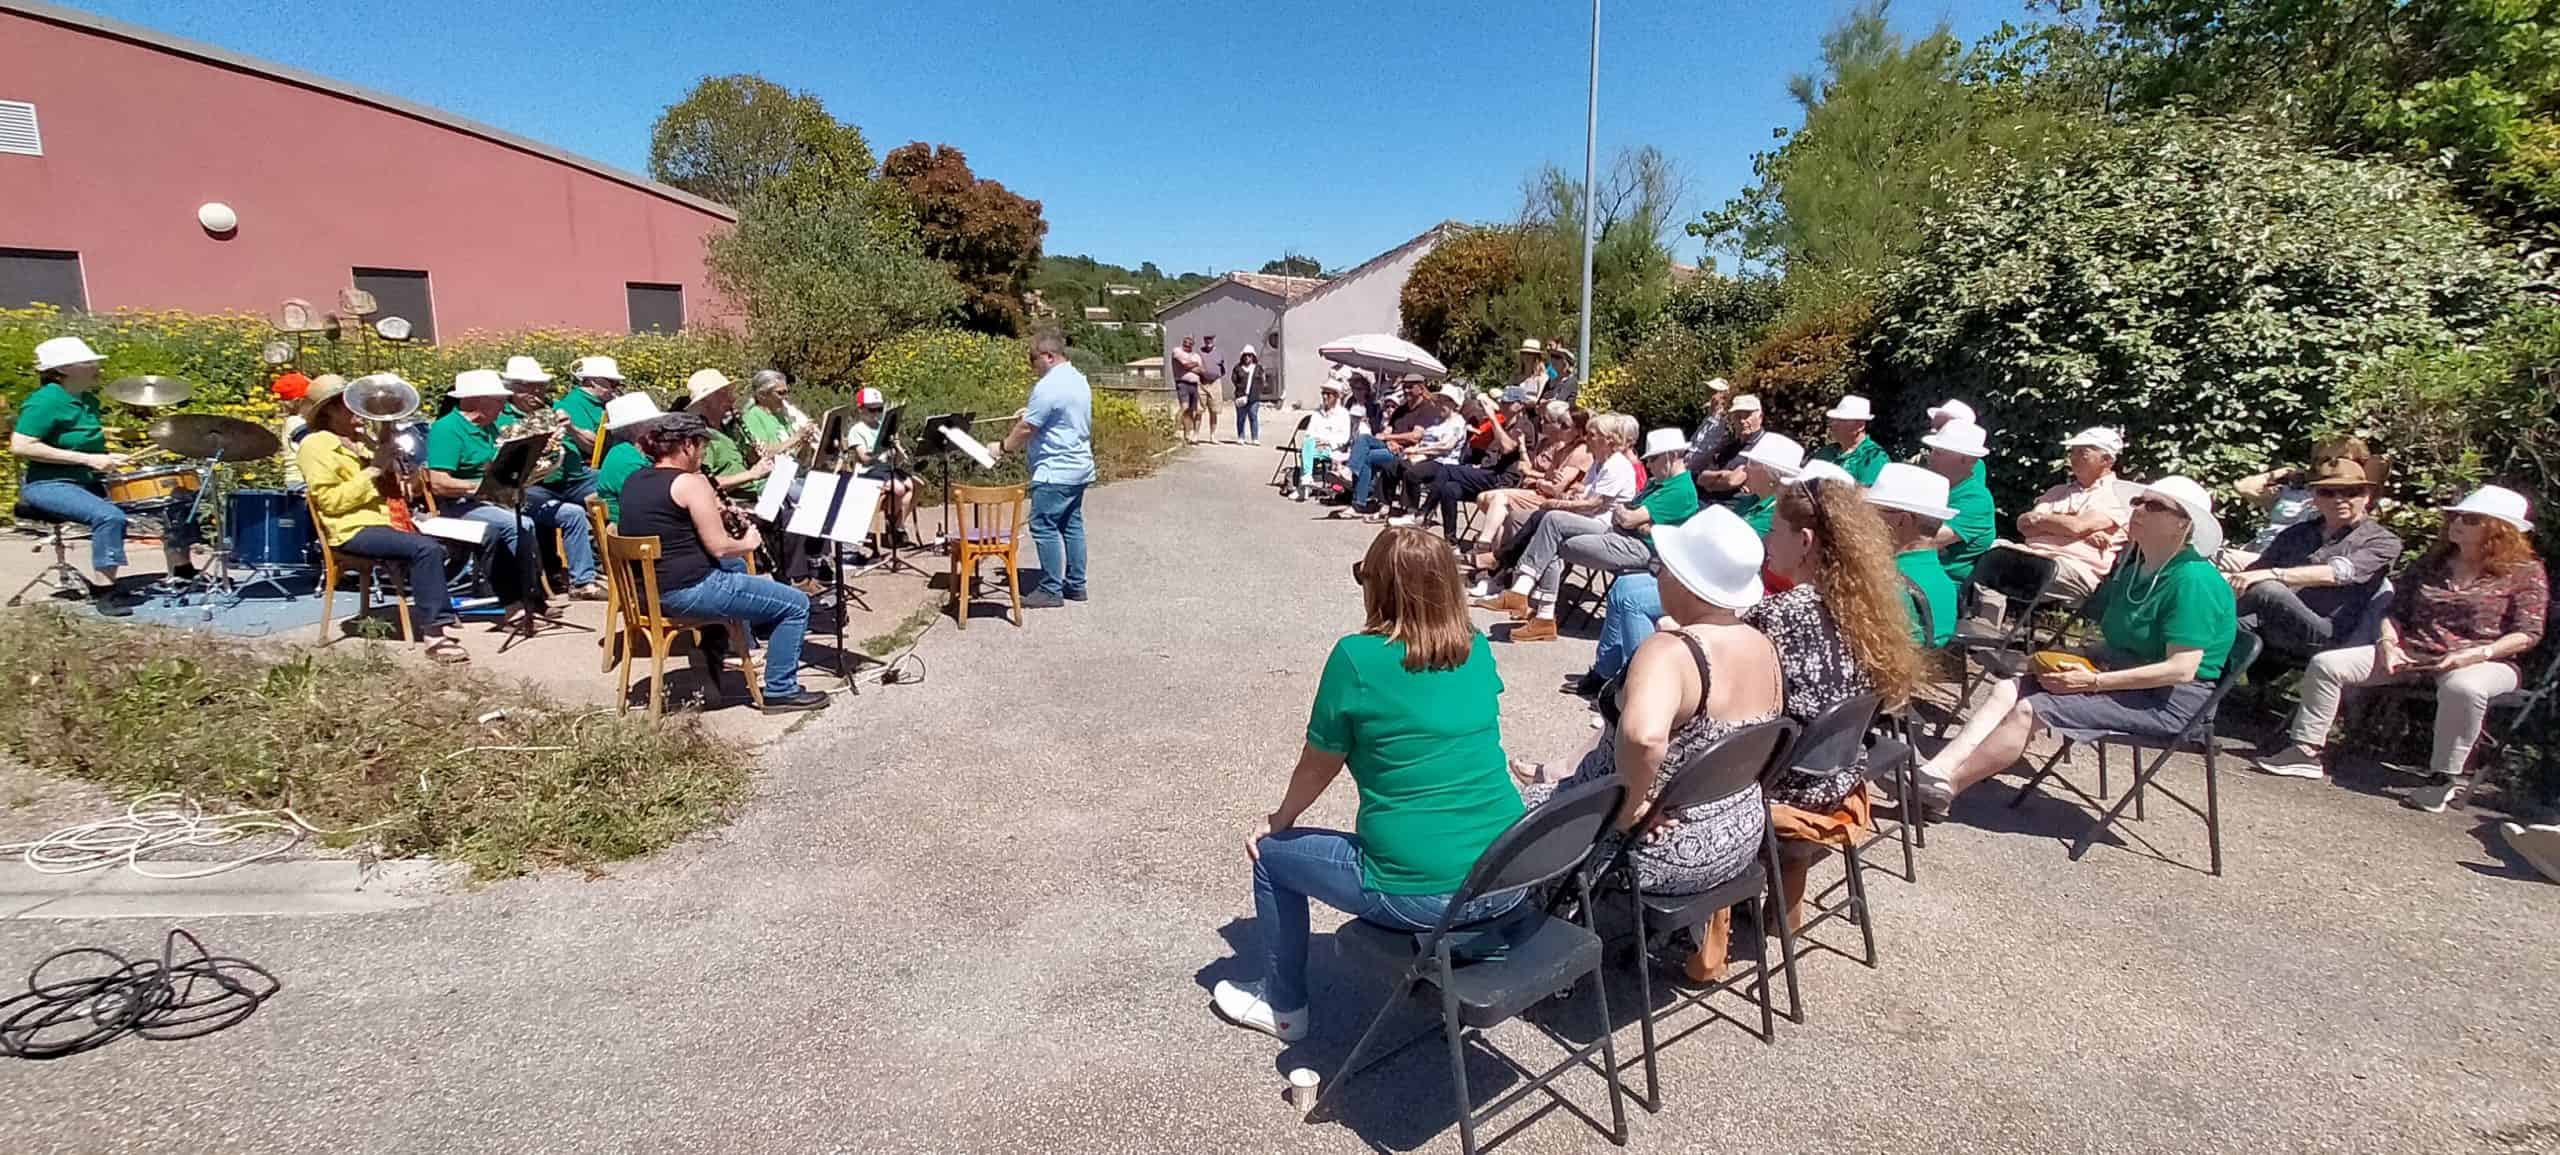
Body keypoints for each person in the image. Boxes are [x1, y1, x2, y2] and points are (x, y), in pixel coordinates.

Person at [1211, 526, 1528, 1041]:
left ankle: (1283, 1006)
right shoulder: (1474, 646)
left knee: (1270, 857)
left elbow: (1320, 762)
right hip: (1510, 874)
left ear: (1378, 587)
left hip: (1426, 892)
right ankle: (1466, 945)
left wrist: (1280, 819)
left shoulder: (1357, 657)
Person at [1516, 507, 1781, 983]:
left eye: (1664, 566)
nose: (1657, 574)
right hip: (1736, 835)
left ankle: (1519, 943)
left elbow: (1643, 737)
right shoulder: (1763, 645)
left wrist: (1629, 810)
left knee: (1505, 814)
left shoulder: (1671, 654)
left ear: (1688, 582)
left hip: (1660, 844)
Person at [1913, 476, 2239, 814]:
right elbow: (2117, 642)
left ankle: (1945, 790)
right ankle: (1937, 771)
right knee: (2010, 687)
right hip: (2126, 676)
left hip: (2170, 702)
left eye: (2154, 505)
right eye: (2137, 502)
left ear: (2183, 524)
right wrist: (2064, 658)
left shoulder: (2194, 581)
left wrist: (2092, 681)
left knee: (2031, 708)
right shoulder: (2136, 570)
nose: (2139, 510)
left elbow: (2181, 669)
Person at [2251, 486, 2546, 812]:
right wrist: (2388, 644)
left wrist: (2477, 654)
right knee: (2328, 664)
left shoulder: (2525, 572)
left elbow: (2527, 633)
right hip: (2414, 653)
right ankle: (2305, 751)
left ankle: (2443, 779)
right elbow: (2393, 611)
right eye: (2455, 516)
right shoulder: (2433, 563)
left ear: (2500, 530)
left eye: (2471, 519)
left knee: (2463, 687)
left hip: (2486, 660)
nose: (2458, 522)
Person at [1749, 472, 1927, 930]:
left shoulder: (1777, 615)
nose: (1768, 540)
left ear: (1805, 541)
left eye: (1775, 530)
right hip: (1840, 775)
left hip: (1781, 787)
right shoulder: (1873, 614)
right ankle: (1780, 905)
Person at [619, 413, 829, 714]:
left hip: (646, 594)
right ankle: (781, 690)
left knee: (737, 570)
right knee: (795, 604)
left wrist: (717, 513)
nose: (704, 454)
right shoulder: (691, 483)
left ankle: (713, 650)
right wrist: (749, 542)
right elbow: (720, 547)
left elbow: (672, 527)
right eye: (702, 446)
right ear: (687, 445)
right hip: (687, 592)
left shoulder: (635, 479)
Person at [9, 336, 199, 613]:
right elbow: (22, 445)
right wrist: (89, 459)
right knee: (108, 517)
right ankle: (105, 591)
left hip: (90, 480)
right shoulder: (45, 402)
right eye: (89, 363)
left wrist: (109, 457)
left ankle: (182, 570)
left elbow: (80, 442)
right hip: (50, 484)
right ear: (63, 369)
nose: (98, 367)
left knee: (175, 498)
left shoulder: (87, 400)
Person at [295, 375, 468, 664]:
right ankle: (435, 633)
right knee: (425, 549)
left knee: (462, 537)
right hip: (353, 528)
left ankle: (439, 604)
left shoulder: (363, 440)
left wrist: (400, 469)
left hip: (389, 520)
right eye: (346, 403)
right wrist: (374, 469)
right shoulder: (316, 445)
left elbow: (401, 488)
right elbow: (330, 502)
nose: (356, 409)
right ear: (329, 411)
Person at [1473, 415, 1657, 642]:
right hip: (1586, 521)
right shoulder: (1599, 462)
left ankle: (1518, 587)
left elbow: (1595, 504)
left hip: (1605, 528)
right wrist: (1571, 496)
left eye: (1592, 435)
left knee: (1551, 521)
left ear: (1608, 439)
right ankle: (1540, 613)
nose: (1587, 438)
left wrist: (1559, 504)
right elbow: (1584, 494)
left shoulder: (1617, 466)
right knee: (1529, 521)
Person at [2227, 454, 2400, 661]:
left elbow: (2339, 573)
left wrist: (2273, 574)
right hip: (2271, 620)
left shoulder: (2383, 541)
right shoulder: (2297, 533)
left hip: (2324, 635)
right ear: (2314, 497)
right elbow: (2252, 573)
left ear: (2367, 496)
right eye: (2327, 492)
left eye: (2351, 492)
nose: (2339, 499)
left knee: (2268, 589)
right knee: (2213, 625)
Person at [422, 369, 561, 615]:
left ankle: (530, 596)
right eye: (499, 400)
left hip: (490, 500)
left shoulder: (489, 427)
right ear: (478, 401)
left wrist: (538, 452)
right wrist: (483, 488)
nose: (503, 405)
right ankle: (520, 600)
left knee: (528, 520)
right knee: (516, 525)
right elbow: (439, 483)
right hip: (459, 504)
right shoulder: (447, 429)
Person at [1001, 333, 1094, 608]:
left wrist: (1003, 447)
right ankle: (1076, 585)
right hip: (1078, 465)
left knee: (1043, 525)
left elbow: (1027, 428)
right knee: (1071, 524)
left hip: (1056, 469)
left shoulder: (1049, 385)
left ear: (1048, 356)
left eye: (1034, 361)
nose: (1033, 367)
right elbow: (1056, 415)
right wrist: (1029, 411)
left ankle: (1050, 588)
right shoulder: (1077, 378)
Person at [500, 356, 605, 597]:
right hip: (536, 484)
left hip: (574, 478)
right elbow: (505, 464)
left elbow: (592, 447)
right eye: (528, 387)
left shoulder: (553, 407)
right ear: (512, 389)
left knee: (618, 486)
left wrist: (571, 428)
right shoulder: (502, 417)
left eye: (540, 386)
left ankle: (616, 560)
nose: (536, 393)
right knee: (571, 513)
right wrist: (538, 446)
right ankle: (582, 582)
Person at [1995, 426, 2132, 600]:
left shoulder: (2117, 495)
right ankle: (1984, 615)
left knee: (1998, 566)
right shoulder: (2058, 491)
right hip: (2033, 555)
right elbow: (2024, 525)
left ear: (2106, 460)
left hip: (2072, 568)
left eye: (2082, 453)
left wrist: (2044, 521)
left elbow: (2076, 526)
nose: (2073, 458)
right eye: (2072, 452)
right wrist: (2080, 533)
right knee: (1989, 551)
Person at [2221, 438, 2374, 571]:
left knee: (2216, 557)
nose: (2333, 464)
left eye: (2342, 458)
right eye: (2325, 459)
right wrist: (2284, 472)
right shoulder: (2292, 491)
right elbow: (2243, 487)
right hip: (2261, 552)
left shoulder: (2351, 499)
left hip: (2290, 560)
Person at [1865, 464, 1961, 647]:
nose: (1865, 519)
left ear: (1902, 521)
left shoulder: (1884, 583)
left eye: (1874, 512)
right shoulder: (1944, 583)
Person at [1473, 402, 1592, 548]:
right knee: (1486, 501)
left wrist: (1539, 482)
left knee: (1498, 499)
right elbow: (1549, 478)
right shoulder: (1561, 448)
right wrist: (1544, 480)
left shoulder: (1580, 452)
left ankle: (1484, 545)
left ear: (1578, 431)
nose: (1559, 428)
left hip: (1552, 501)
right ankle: (1491, 550)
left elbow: (1555, 489)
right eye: (1560, 423)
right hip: (1538, 493)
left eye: (1565, 426)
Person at [1419, 388, 1529, 537]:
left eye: (1508, 403)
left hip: (1503, 479)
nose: (1503, 405)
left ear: (1520, 405)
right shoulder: (1503, 424)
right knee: (1448, 489)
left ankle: (1423, 513)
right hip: (1487, 473)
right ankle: (1451, 541)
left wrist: (1492, 418)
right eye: (1502, 402)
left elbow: (1507, 448)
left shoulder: (1523, 426)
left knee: (1448, 469)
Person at [1921, 418, 1996, 584]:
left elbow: (1924, 541)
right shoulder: (1932, 487)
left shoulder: (1977, 501)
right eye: (1933, 451)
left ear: (1966, 459)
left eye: (1939, 452)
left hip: (1939, 583)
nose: (1930, 457)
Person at [841, 386, 919, 544]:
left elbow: (897, 461)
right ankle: (893, 523)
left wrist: (896, 447)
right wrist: (881, 449)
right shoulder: (857, 430)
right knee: (898, 488)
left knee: (916, 484)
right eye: (872, 410)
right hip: (867, 471)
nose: (876, 413)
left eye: (879, 409)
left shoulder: (883, 427)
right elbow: (864, 458)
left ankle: (897, 525)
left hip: (885, 469)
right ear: (861, 409)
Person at [1381, 387, 1468, 525]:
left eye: (1444, 402)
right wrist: (1414, 449)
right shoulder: (1438, 420)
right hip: (1425, 457)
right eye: (1439, 401)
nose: (1440, 404)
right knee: (1392, 466)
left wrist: (1418, 451)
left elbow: (1446, 446)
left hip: (1444, 462)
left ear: (1454, 404)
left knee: (1412, 473)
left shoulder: (1457, 422)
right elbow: (1424, 440)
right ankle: (1385, 505)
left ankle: (1412, 513)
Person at [595, 393, 666, 522]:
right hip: (632, 527)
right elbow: (652, 501)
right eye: (651, 422)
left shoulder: (625, 451)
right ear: (635, 427)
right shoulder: (628, 461)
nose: (657, 426)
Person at [1690, 392, 1766, 506]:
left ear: (1760, 418)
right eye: (1737, 416)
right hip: (1707, 502)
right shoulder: (1731, 446)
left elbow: (1732, 481)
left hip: (1734, 508)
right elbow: (1701, 476)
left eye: (1747, 415)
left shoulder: (1763, 446)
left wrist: (1712, 483)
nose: (1742, 421)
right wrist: (1721, 477)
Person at [1730, 433, 1806, 534]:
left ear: (1772, 474)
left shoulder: (1777, 516)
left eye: (1752, 463)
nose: (1744, 468)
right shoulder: (1752, 499)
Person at [1293, 377, 1354, 501]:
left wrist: (1326, 441)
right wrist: (1318, 441)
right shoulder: (1317, 413)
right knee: (1308, 443)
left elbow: (1344, 437)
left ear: (1336, 396)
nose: (1325, 397)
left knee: (1307, 448)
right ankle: (1306, 480)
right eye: (1323, 393)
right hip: (1315, 446)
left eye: (1328, 394)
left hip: (1333, 449)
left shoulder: (1343, 414)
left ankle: (1303, 485)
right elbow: (1310, 432)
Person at [1809, 394, 1890, 485]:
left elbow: (1865, 492)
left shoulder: (1874, 457)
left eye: (1841, 420)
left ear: (1860, 426)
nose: (1833, 424)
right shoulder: (1826, 452)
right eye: (1833, 420)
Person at [1681, 377, 1735, 476]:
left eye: (1712, 391)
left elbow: (1707, 449)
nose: (1708, 393)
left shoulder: (1722, 419)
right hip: (1689, 464)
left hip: (1698, 471)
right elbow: (1696, 443)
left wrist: (1685, 467)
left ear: (1721, 394)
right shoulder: (1711, 415)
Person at [1170, 336, 1206, 444]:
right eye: (1185, 343)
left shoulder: (1196, 355)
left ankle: (1187, 435)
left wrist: (1191, 367)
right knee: (1184, 407)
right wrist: (1194, 364)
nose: (1187, 345)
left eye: (1189, 344)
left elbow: (1202, 370)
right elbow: (1185, 365)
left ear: (1192, 345)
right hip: (1183, 383)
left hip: (1194, 385)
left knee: (1191, 411)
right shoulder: (1177, 351)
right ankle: (1176, 432)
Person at [1230, 345, 1268, 444]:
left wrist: (1258, 390)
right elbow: (1234, 380)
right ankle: (1241, 437)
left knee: (1253, 416)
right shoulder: (1237, 368)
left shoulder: (1258, 368)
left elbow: (1263, 380)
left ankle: (1255, 438)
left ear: (1253, 356)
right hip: (1240, 397)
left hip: (1254, 398)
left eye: (1249, 355)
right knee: (1241, 418)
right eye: (1245, 355)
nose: (1247, 357)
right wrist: (1240, 389)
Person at [1197, 335, 1228, 442]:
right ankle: (1196, 435)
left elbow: (1223, 369)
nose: (1208, 341)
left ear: (1213, 340)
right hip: (1202, 383)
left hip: (1215, 383)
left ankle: (1212, 436)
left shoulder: (1219, 353)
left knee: (1214, 410)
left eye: (1210, 339)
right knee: (1199, 410)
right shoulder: (1199, 353)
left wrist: (1215, 376)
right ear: (1204, 340)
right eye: (1206, 339)